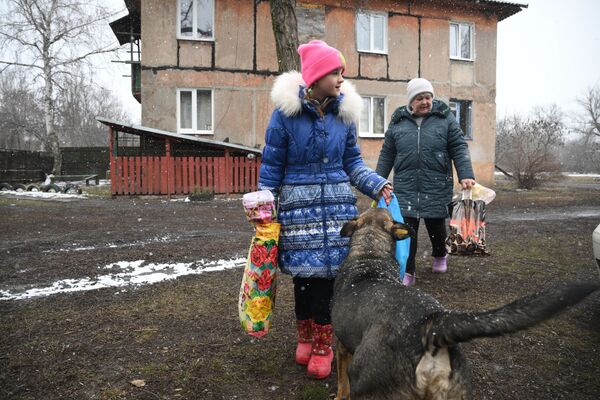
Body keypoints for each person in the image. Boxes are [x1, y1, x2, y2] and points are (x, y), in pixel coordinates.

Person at [258, 40, 391, 379]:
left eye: (342, 72)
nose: (341, 78)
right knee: (304, 280)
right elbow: (272, 165)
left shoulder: (344, 117)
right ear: (315, 77)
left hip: (336, 208)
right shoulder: (285, 116)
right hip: (297, 210)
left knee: (329, 283)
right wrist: (265, 202)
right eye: (335, 71)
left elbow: (353, 162)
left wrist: (376, 183)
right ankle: (304, 336)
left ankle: (323, 346)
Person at [375, 78, 475, 286]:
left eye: (428, 97)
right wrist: (377, 182)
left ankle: (440, 254)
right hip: (406, 184)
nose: (425, 102)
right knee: (406, 229)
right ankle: (408, 270)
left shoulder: (445, 120)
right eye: (420, 98)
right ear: (411, 101)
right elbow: (387, 153)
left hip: (436, 183)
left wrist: (465, 174)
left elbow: (458, 147)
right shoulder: (398, 122)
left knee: (436, 225)